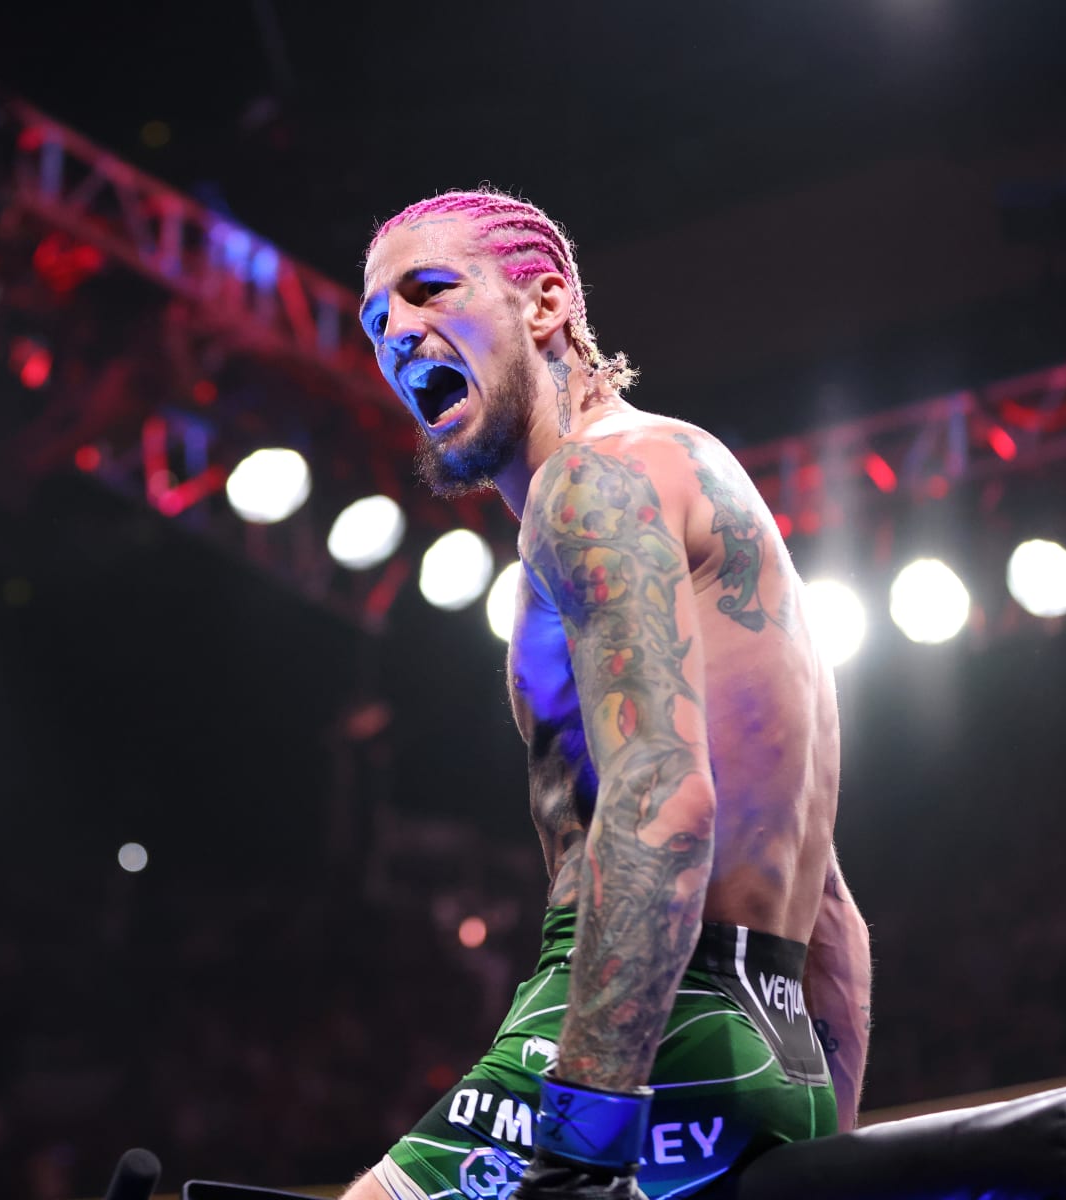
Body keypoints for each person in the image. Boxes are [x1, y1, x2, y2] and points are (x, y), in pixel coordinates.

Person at [341, 189, 872, 1200]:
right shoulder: (695, 472)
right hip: (775, 1050)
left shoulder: (588, 485)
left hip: (641, 1029)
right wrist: (831, 1149)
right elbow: (831, 906)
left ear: (544, 305)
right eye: (376, 322)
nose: (397, 333)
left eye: (428, 291)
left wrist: (583, 1146)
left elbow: (662, 800)